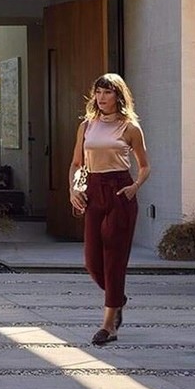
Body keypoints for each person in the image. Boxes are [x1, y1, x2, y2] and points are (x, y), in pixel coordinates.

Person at [69, 73, 151, 345]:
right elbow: (77, 164)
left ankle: (108, 327)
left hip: (119, 192)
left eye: (107, 92)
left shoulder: (130, 128)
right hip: (93, 191)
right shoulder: (86, 126)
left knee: (114, 260)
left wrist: (135, 186)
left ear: (118, 96)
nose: (101, 97)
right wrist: (74, 189)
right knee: (92, 262)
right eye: (98, 92)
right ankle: (118, 299)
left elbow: (144, 166)